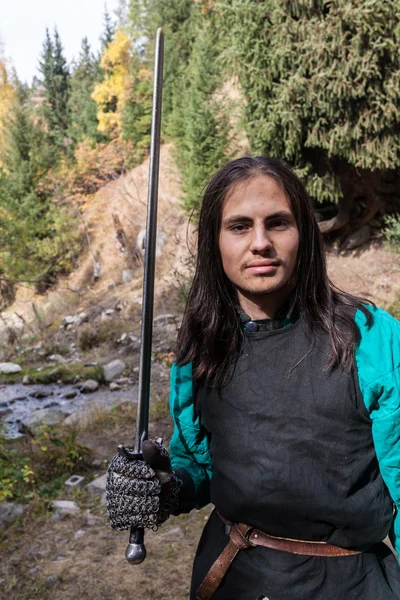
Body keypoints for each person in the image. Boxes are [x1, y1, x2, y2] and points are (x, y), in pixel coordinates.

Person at [106, 157, 400, 600]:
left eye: (277, 223)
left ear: (303, 234)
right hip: (231, 577)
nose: (260, 242)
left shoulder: (372, 340)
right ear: (215, 242)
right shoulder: (201, 347)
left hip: (348, 583)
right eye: (239, 226)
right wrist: (165, 486)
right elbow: (202, 464)